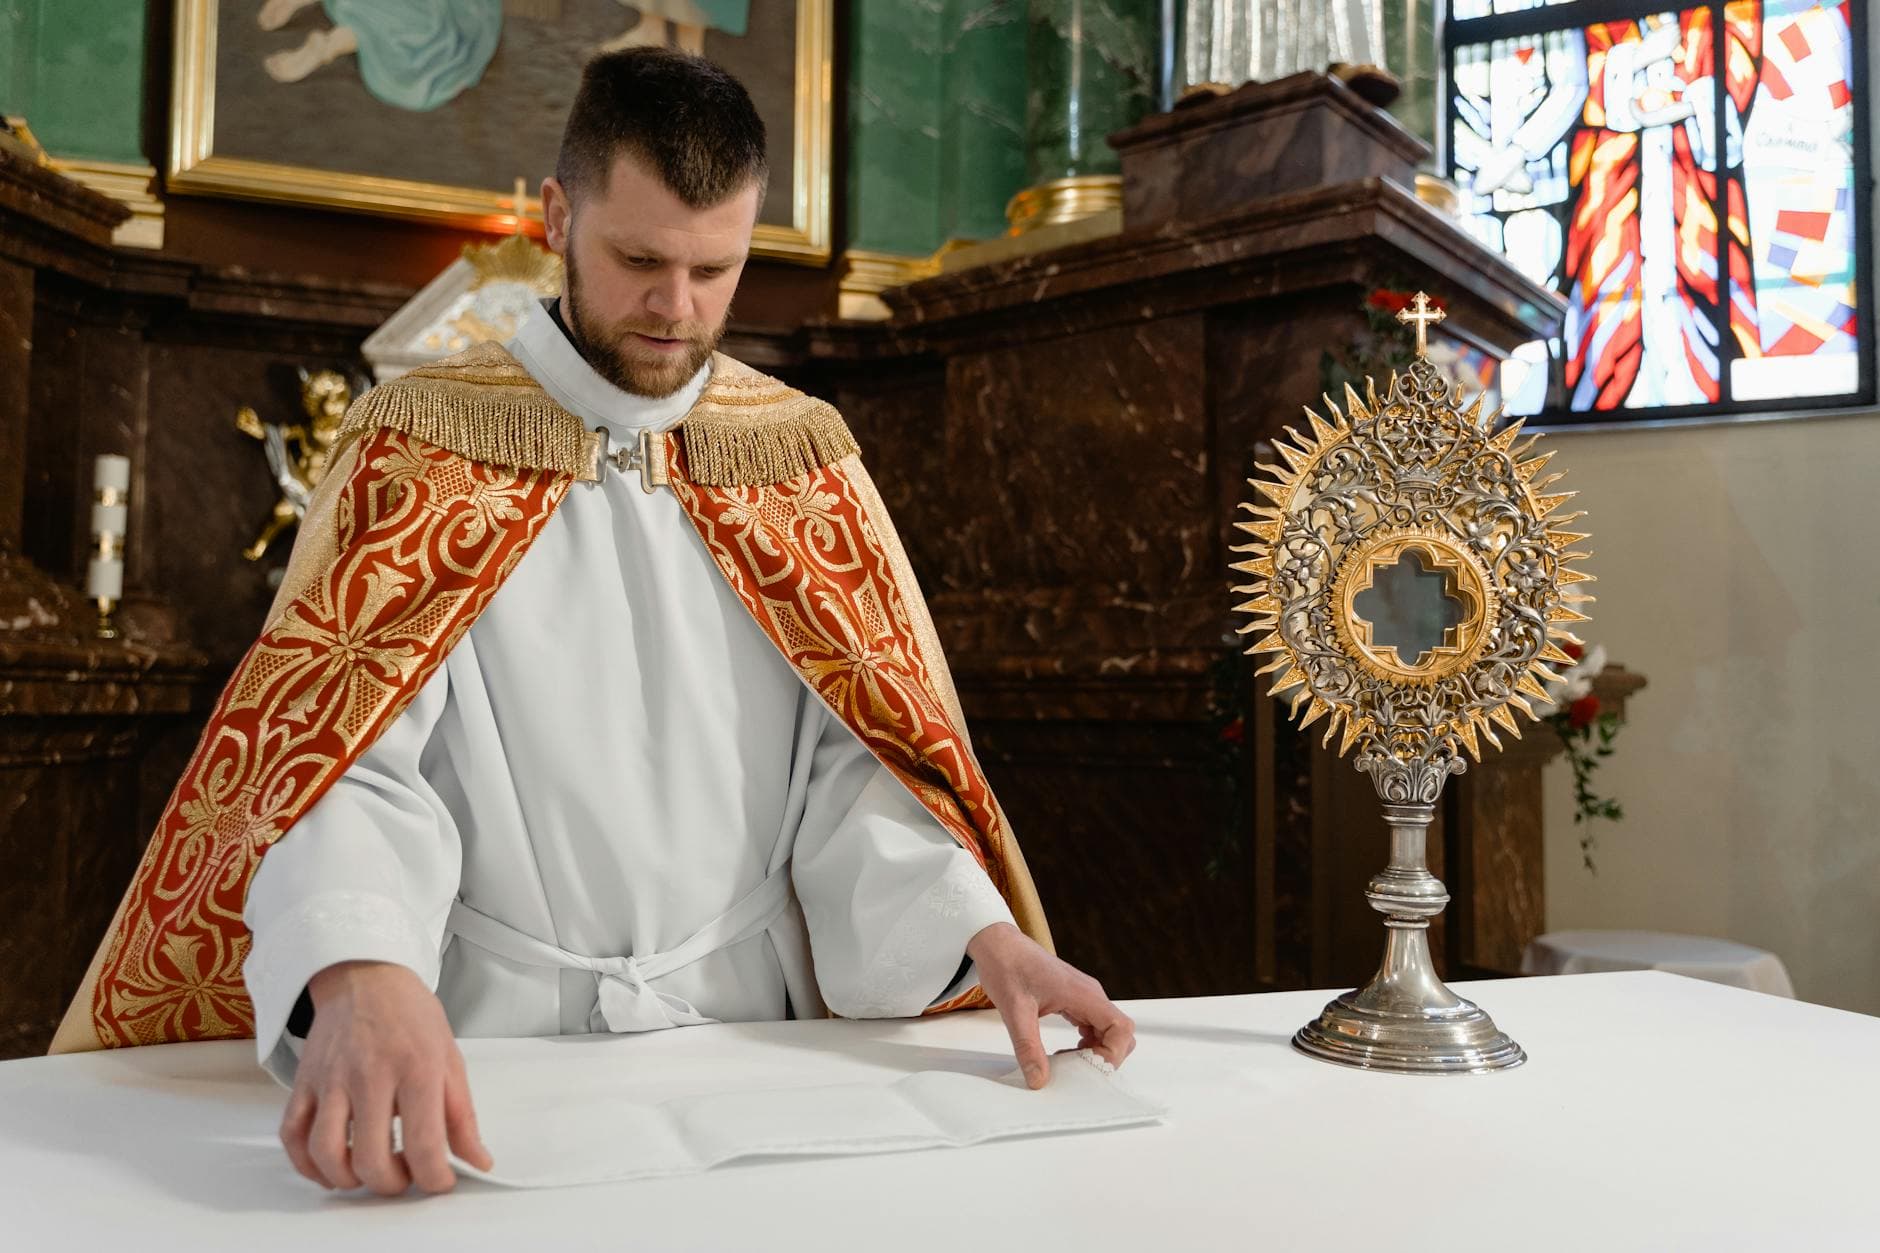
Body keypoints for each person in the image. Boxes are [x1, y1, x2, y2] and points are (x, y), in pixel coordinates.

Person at [50, 48, 1134, 1198]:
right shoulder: (422, 445)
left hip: (757, 1047)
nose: (677, 308)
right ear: (559, 216)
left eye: (716, 269)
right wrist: (362, 965)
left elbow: (852, 771)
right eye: (639, 259)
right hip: (487, 1042)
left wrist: (981, 934)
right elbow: (348, 758)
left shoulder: (796, 458)